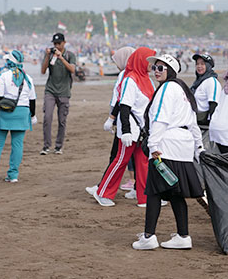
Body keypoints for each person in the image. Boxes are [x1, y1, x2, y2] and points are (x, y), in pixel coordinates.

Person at [132, 54, 204, 251]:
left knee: (154, 191)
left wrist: (153, 145)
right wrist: (198, 147)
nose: (156, 71)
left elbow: (160, 118)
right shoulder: (183, 89)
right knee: (175, 192)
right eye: (154, 67)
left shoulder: (166, 88)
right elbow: (193, 122)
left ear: (170, 71)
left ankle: (149, 236)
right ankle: (183, 235)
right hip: (183, 146)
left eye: (160, 68)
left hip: (167, 145)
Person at [93, 47, 156, 207]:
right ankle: (102, 193)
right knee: (121, 160)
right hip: (130, 129)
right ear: (141, 61)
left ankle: (144, 197)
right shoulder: (130, 80)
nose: (152, 65)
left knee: (143, 163)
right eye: (150, 61)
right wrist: (126, 131)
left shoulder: (147, 79)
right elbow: (124, 106)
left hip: (142, 130)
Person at [86, 46, 136, 199]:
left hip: (125, 121)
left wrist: (112, 118)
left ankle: (104, 187)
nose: (116, 65)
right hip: (127, 121)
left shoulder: (125, 75)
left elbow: (120, 99)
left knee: (117, 157)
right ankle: (135, 186)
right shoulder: (135, 75)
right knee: (131, 157)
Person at [0, 50, 36, 182]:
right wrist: (32, 116)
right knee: (17, 145)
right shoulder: (28, 78)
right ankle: (13, 175)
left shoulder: (4, 76)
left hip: (5, 113)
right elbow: (32, 100)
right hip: (22, 113)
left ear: (10, 61)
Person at [40, 33, 77, 155]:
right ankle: (46, 146)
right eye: (54, 43)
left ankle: (58, 146)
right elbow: (43, 71)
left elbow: (72, 69)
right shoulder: (50, 55)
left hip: (64, 92)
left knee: (62, 121)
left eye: (58, 43)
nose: (56, 46)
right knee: (47, 118)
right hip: (50, 90)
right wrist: (47, 56)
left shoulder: (70, 55)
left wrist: (61, 57)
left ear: (64, 43)